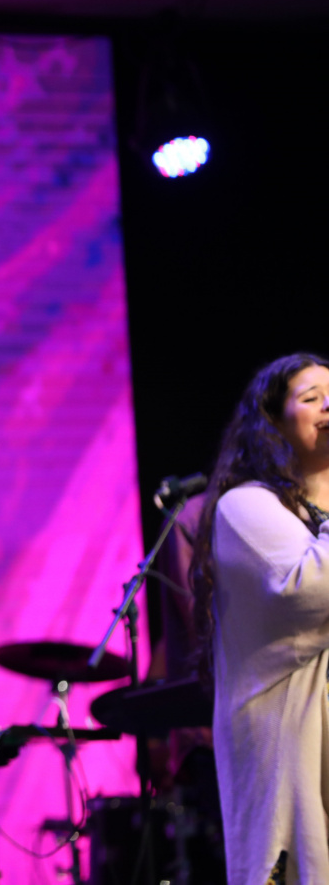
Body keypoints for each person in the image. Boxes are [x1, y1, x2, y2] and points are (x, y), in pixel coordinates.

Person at [190, 352, 329, 885]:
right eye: (312, 397)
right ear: (273, 422)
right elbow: (307, 593)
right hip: (292, 752)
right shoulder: (245, 508)